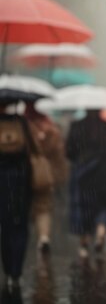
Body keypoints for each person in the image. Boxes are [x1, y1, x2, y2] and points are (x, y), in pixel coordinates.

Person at [66, 109, 106, 258]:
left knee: (83, 206)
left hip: (82, 172)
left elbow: (68, 152)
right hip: (104, 171)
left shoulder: (76, 126)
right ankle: (101, 231)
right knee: (103, 204)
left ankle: (84, 242)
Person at [24, 101, 68, 254]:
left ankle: (23, 236)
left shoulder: (22, 125)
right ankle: (43, 237)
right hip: (44, 173)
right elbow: (59, 153)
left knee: (23, 205)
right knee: (43, 206)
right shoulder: (50, 127)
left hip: (22, 172)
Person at [0, 102, 33, 295]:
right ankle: (16, 271)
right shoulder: (21, 122)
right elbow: (33, 148)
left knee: (5, 226)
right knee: (20, 226)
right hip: (21, 179)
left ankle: (7, 268)